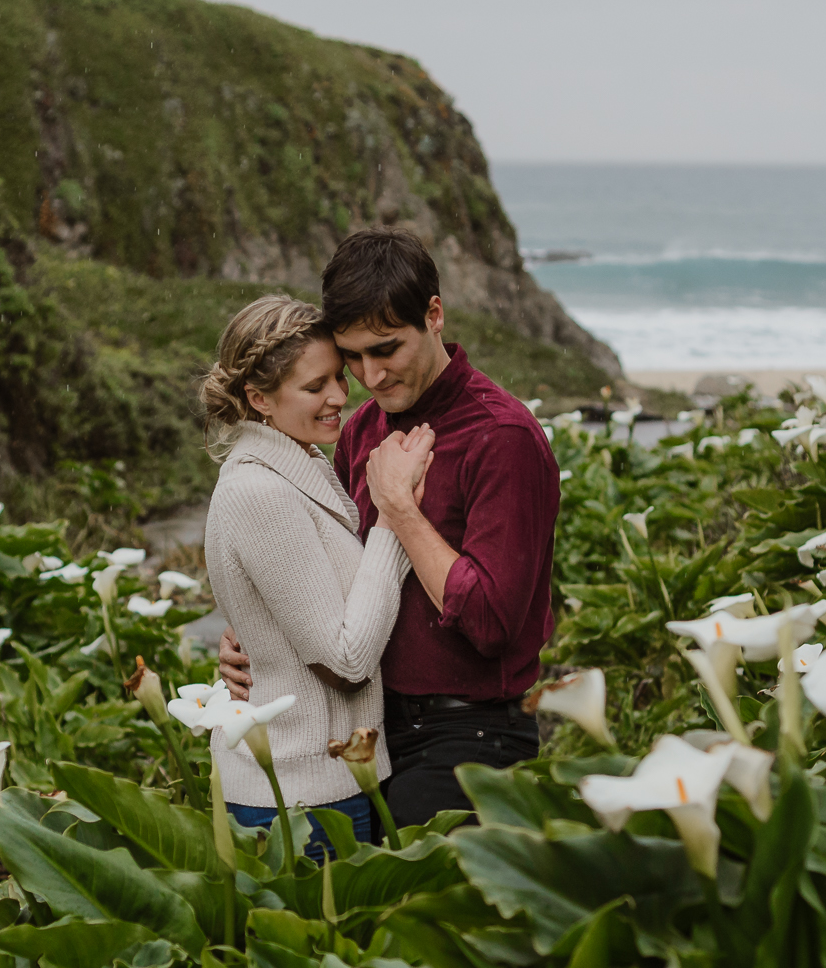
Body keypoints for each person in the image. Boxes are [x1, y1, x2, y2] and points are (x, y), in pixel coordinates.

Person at [219, 230, 561, 830]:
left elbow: (491, 625)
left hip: (469, 737)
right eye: (352, 357)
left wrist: (401, 511)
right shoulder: (361, 431)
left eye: (386, 349)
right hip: (369, 734)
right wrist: (261, 638)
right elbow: (339, 582)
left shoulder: (502, 438)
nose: (370, 377)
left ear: (433, 315)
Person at [198, 294, 436, 856]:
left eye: (337, 377)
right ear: (258, 399)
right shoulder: (260, 492)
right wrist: (394, 519)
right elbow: (345, 660)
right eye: (314, 387)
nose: (338, 397)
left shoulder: (301, 463)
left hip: (321, 783)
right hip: (300, 796)